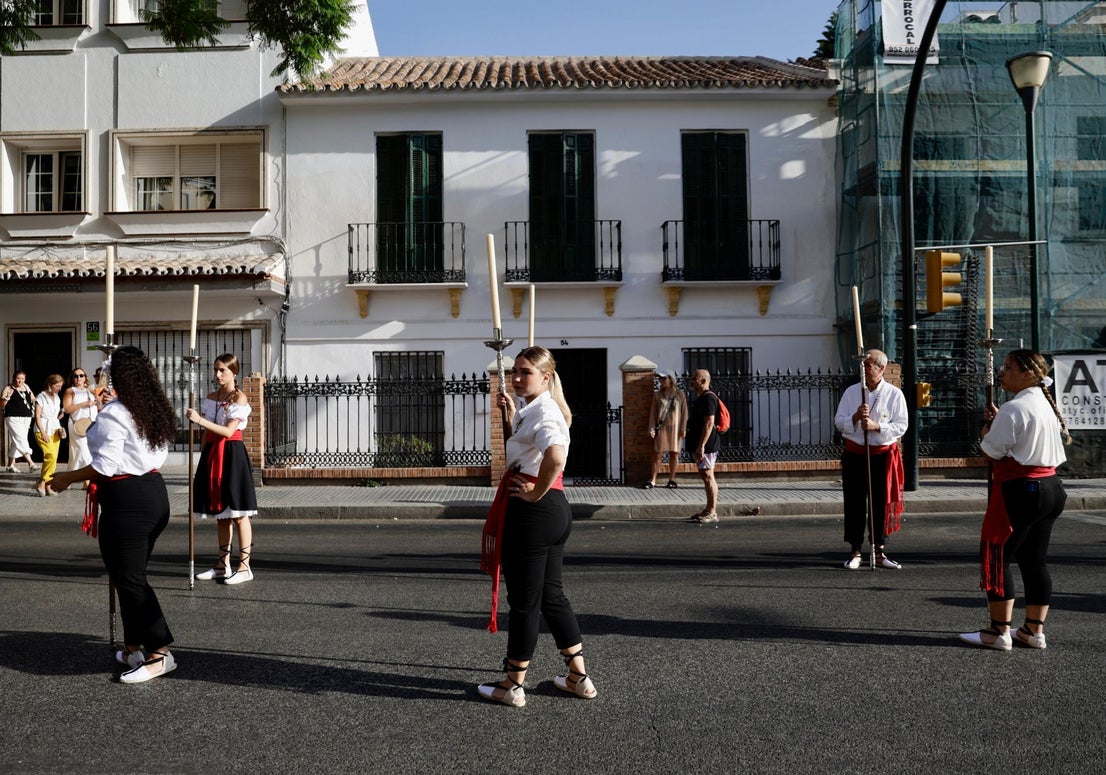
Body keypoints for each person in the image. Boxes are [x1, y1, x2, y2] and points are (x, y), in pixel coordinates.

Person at [49, 346, 179, 683]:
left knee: (130, 578)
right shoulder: (149, 408)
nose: (104, 379)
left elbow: (105, 466)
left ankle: (159, 653)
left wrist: (67, 477)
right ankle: (134, 646)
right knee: (128, 575)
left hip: (128, 501)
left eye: (108, 373)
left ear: (120, 377)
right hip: (154, 494)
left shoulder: (116, 412)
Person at [478, 346, 597, 707]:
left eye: (525, 372)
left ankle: (512, 684)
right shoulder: (537, 409)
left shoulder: (544, 410)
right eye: (514, 370)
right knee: (550, 596)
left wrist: (534, 492)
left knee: (525, 604)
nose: (515, 377)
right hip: (555, 513)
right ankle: (577, 676)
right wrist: (513, 416)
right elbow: (535, 447)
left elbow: (556, 454)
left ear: (545, 377)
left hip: (534, 514)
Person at [959, 349, 1069, 651]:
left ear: (1028, 374)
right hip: (1052, 487)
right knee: (1034, 561)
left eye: (1008, 368)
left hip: (1021, 488)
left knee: (999, 557)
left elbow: (990, 450)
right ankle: (1034, 630)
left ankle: (998, 631)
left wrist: (987, 431)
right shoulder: (1044, 403)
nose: (1001, 373)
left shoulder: (1014, 408)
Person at [186, 353, 258, 585]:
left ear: (233, 372)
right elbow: (208, 434)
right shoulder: (211, 397)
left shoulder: (240, 398)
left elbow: (227, 431)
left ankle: (245, 567)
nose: (217, 375)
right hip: (213, 455)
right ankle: (222, 565)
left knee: (238, 513)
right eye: (215, 369)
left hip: (232, 454)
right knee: (221, 516)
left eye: (222, 371)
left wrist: (199, 420)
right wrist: (201, 457)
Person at [833, 349, 908, 569]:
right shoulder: (851, 392)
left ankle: (879, 549)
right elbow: (839, 421)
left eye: (867, 365)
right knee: (855, 502)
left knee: (879, 504)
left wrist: (877, 426)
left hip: (881, 456)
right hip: (855, 454)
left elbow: (901, 425)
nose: (863, 370)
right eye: (862, 365)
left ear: (881, 368)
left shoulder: (894, 394)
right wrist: (855, 417)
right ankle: (855, 549)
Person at [643, 369, 687, 489]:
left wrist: (683, 428)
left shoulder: (680, 395)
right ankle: (653, 480)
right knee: (657, 454)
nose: (661, 381)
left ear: (670, 379)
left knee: (674, 454)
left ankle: (671, 479)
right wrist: (651, 428)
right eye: (660, 378)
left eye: (663, 378)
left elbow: (684, 414)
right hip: (661, 428)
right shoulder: (657, 395)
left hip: (676, 429)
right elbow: (653, 413)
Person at [687, 369, 720, 524]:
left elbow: (709, 422)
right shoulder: (701, 398)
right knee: (705, 476)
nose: (692, 381)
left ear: (704, 381)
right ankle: (708, 509)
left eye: (695, 378)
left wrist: (701, 446)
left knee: (708, 476)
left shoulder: (708, 398)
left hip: (707, 445)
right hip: (701, 444)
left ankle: (712, 512)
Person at [33, 374, 66, 497]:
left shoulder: (57, 397)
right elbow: (37, 417)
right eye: (57, 386)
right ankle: (41, 482)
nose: (59, 388)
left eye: (60, 386)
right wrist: (43, 432)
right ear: (50, 385)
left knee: (53, 458)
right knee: (50, 455)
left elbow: (54, 414)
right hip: (43, 429)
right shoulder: (40, 397)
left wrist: (59, 415)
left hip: (55, 429)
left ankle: (48, 484)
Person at [63, 367, 100, 474]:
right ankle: (86, 479)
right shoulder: (70, 391)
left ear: (85, 377)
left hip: (91, 424)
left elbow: (100, 405)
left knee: (85, 452)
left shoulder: (91, 390)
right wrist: (84, 404)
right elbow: (67, 409)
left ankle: (71, 476)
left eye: (81, 375)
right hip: (78, 425)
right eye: (75, 376)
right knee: (82, 451)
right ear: (72, 378)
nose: (78, 378)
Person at [1, 370, 37, 472]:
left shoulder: (26, 387)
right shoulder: (8, 388)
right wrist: (7, 397)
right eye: (18, 378)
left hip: (27, 417)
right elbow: (2, 405)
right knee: (20, 439)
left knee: (16, 441)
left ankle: (10, 465)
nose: (20, 381)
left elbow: (33, 399)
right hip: (13, 418)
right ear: (13, 378)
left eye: (22, 379)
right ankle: (31, 463)